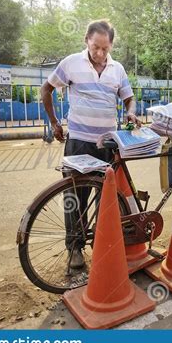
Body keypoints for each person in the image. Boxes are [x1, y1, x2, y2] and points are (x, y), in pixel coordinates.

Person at [41, 19, 141, 269]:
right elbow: (46, 90)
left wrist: (131, 112)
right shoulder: (71, 63)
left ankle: (102, 245)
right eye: (96, 47)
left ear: (111, 47)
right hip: (78, 143)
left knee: (106, 199)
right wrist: (54, 124)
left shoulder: (117, 69)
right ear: (86, 40)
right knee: (75, 198)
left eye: (105, 49)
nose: (100, 53)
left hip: (107, 145)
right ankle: (74, 249)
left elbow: (129, 98)